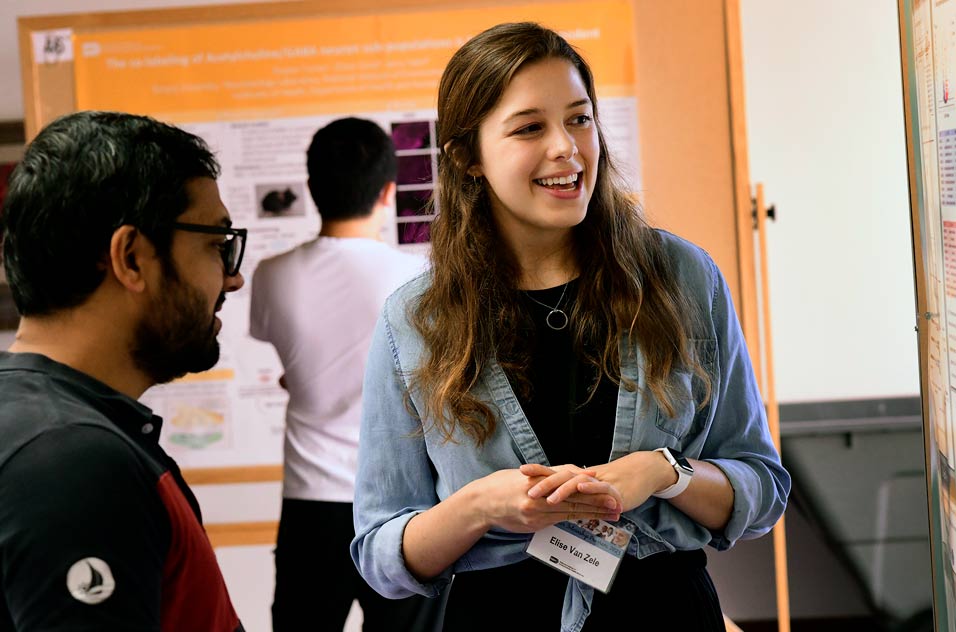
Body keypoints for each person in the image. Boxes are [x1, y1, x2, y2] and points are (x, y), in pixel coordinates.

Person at [350, 22, 791, 632]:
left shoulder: (681, 276)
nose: (567, 147)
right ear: (466, 157)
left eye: (580, 119)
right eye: (530, 127)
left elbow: (761, 486)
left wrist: (666, 471)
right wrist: (481, 505)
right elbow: (381, 555)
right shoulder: (416, 319)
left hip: (666, 613)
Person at [0, 111, 246, 631]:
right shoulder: (70, 461)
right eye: (216, 245)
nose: (234, 277)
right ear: (131, 257)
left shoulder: (41, 426)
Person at [249, 117, 436, 631]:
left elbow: (296, 366)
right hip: (401, 500)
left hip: (309, 504)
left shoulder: (271, 274)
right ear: (388, 192)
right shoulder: (417, 278)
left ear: (311, 188)